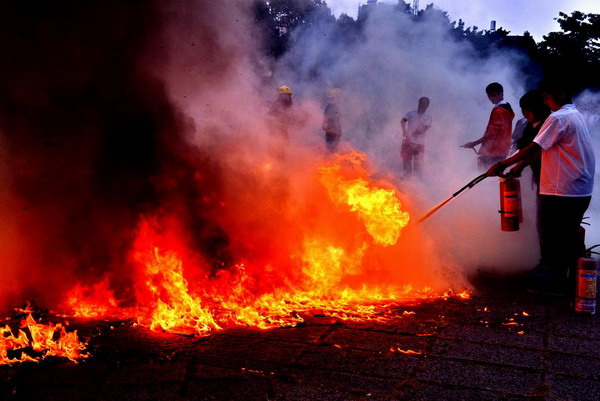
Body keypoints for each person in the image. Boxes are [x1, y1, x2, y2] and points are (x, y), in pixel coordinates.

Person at [486, 80, 595, 296]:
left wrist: (502, 164)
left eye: (547, 97)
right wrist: (520, 166)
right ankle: (569, 279)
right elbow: (542, 150)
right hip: (578, 188)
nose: (545, 101)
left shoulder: (558, 117)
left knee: (555, 236)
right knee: (566, 235)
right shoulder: (574, 114)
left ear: (561, 93)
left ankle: (555, 283)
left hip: (562, 189)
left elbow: (534, 147)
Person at [462, 82, 515, 170]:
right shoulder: (507, 109)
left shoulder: (499, 111)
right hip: (502, 151)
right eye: (489, 96)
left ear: (501, 94)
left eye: (493, 95)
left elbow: (491, 134)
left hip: (491, 152)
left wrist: (473, 143)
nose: (491, 98)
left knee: (484, 177)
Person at [400, 97, 431, 177]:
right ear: (419, 103)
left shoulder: (428, 117)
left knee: (418, 166)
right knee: (406, 164)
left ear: (428, 105)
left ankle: (416, 185)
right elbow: (403, 121)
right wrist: (404, 130)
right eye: (422, 104)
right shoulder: (411, 113)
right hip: (408, 142)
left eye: (425, 104)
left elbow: (424, 129)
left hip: (420, 144)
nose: (423, 106)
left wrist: (414, 133)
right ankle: (406, 183)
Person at [268, 85, 294, 161]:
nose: (288, 97)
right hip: (275, 132)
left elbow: (289, 118)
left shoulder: (287, 106)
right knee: (275, 151)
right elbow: (269, 118)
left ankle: (279, 168)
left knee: (281, 151)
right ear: (281, 95)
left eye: (288, 95)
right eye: (285, 95)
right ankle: (274, 168)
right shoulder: (276, 106)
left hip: (281, 132)